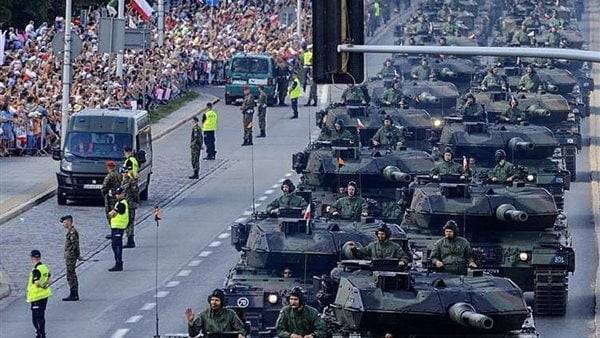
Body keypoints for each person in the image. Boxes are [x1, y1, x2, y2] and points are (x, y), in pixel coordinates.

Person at [27, 249, 52, 338]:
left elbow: (37, 283)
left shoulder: (36, 270)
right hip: (44, 295)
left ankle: (40, 334)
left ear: (32, 258)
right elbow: (50, 279)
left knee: (36, 318)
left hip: (36, 297)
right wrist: (46, 285)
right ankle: (42, 333)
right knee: (41, 315)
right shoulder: (44, 267)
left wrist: (42, 286)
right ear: (40, 257)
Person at [108, 187, 128, 271]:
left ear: (123, 194)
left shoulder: (121, 204)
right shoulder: (119, 203)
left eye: (119, 194)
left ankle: (118, 263)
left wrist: (111, 213)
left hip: (119, 227)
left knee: (117, 246)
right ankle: (118, 262)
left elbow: (111, 214)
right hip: (116, 227)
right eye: (117, 194)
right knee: (114, 245)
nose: (118, 195)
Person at [61, 215, 81, 301]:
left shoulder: (72, 232)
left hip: (71, 256)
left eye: (64, 222)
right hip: (70, 256)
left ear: (69, 222)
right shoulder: (70, 231)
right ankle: (74, 293)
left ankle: (74, 294)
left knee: (70, 274)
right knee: (71, 274)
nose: (63, 224)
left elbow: (75, 245)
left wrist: (77, 255)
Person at [120, 165, 139, 248]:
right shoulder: (123, 181)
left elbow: (135, 193)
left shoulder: (130, 182)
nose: (123, 174)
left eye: (124, 172)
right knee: (127, 223)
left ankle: (130, 241)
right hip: (125, 204)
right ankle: (129, 239)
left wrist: (135, 202)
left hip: (129, 204)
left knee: (129, 223)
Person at [101, 160, 121, 237]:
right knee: (116, 214)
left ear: (108, 167)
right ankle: (117, 230)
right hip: (118, 196)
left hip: (110, 197)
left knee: (110, 214)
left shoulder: (109, 176)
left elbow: (104, 187)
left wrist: (105, 195)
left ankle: (113, 232)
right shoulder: (119, 175)